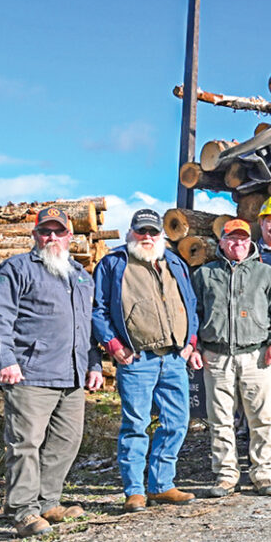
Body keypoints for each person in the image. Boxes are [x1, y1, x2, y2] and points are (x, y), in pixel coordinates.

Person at [0, 208, 103, 537]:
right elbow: (0, 316)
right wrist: (5, 358)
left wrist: (94, 363)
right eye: (46, 231)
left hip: (71, 375)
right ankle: (22, 511)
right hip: (30, 373)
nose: (53, 237)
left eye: (59, 231)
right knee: (25, 443)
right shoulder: (16, 269)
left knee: (66, 441)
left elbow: (85, 326)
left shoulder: (79, 274)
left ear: (71, 236)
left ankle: (47, 502)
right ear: (35, 235)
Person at [93, 208, 200, 512]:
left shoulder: (174, 262)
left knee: (177, 423)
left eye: (153, 232)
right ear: (131, 232)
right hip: (136, 359)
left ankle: (162, 485)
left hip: (174, 358)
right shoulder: (114, 263)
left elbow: (190, 304)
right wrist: (112, 344)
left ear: (161, 235)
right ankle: (135, 491)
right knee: (136, 425)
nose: (148, 237)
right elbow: (98, 310)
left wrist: (190, 341)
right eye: (142, 231)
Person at [192, 219, 271, 498]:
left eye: (243, 239)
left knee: (262, 418)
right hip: (216, 355)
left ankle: (262, 473)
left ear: (250, 242)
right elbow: (193, 313)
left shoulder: (266, 274)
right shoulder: (204, 274)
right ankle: (226, 474)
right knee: (220, 419)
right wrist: (196, 346)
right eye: (232, 239)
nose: (238, 244)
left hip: (256, 355)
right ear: (221, 243)